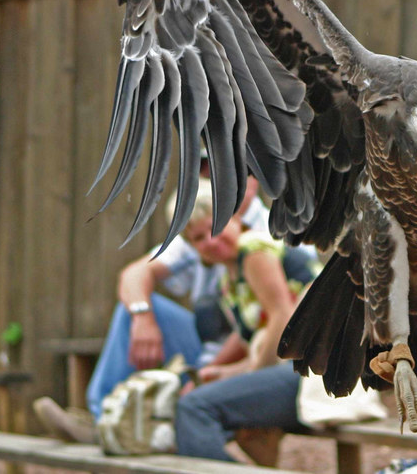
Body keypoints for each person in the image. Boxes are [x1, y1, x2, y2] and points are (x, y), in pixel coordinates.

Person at [33, 161, 271, 443]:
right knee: (135, 308)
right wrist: (142, 316)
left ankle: (123, 425)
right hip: (212, 347)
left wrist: (210, 372)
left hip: (259, 354)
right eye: (209, 173)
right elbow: (135, 272)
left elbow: (263, 323)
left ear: (257, 181)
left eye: (236, 174)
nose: (219, 180)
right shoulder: (201, 224)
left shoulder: (267, 238)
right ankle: (104, 421)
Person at [173, 178, 318, 465]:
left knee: (194, 409)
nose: (211, 241)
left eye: (216, 227)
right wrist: (216, 372)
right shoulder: (230, 277)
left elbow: (282, 319)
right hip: (292, 369)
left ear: (235, 217)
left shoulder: (254, 250)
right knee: (190, 390)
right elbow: (248, 338)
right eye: (199, 238)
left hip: (316, 371)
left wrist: (246, 377)